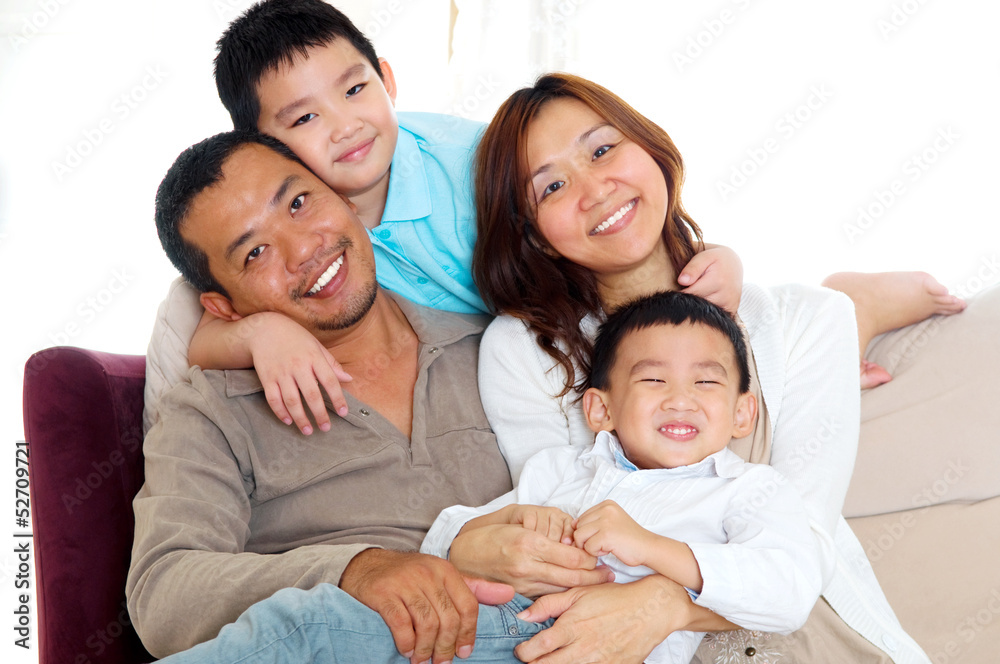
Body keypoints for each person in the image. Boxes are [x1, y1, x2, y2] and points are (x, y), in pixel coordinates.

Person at [143, 0, 950, 440]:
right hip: (522, 343)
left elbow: (608, 220)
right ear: (263, 146)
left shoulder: (470, 159)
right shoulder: (312, 249)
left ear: (388, 78)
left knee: (698, 362)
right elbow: (196, 339)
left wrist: (717, 260)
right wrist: (264, 334)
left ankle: (850, 302)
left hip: (585, 295)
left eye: (356, 91)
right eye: (305, 120)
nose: (346, 126)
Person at [459, 73, 931, 663]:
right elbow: (550, 533)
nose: (595, 189)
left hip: (794, 630)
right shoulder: (525, 349)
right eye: (551, 186)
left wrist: (668, 603)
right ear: (537, 237)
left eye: (603, 149)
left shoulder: (811, 320)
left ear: (651, 149)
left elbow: (803, 549)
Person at [127, 129, 586, 663]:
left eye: (300, 203)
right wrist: (353, 570)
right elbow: (162, 596)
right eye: (255, 253)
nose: (304, 250)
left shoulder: (503, 346)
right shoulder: (212, 410)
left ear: (343, 196)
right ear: (223, 307)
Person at [421, 290, 824, 664]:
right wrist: (508, 522)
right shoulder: (558, 469)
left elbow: (789, 592)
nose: (680, 399)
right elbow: (441, 539)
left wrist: (650, 547)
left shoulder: (749, 489)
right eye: (653, 379)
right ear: (601, 410)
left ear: (742, 414)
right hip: (506, 628)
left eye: (706, 381)